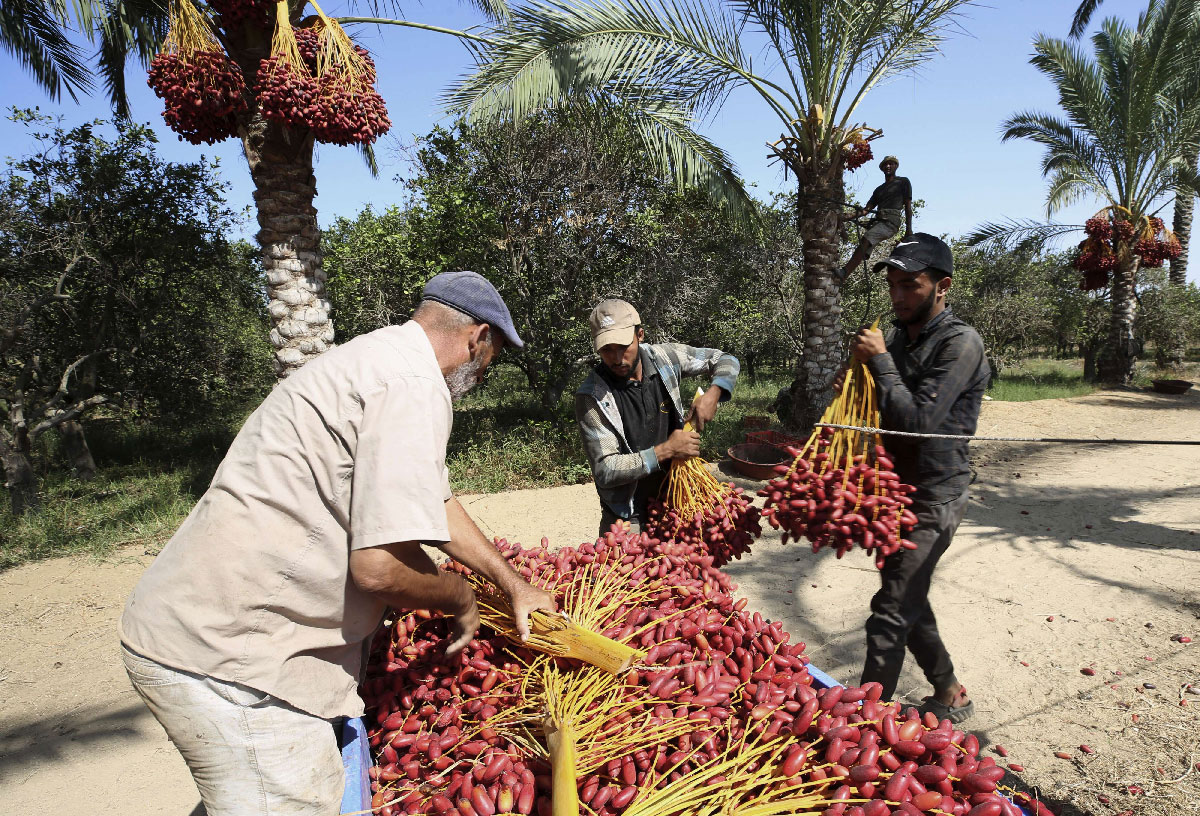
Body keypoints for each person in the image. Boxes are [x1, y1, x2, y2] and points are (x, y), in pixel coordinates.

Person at [119, 270, 556, 815]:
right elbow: (377, 569)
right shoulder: (414, 385)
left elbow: (435, 504)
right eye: (493, 356)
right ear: (478, 338)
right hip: (234, 660)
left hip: (199, 632)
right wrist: (459, 598)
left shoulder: (377, 361)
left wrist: (511, 583)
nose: (487, 370)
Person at [839, 233, 989, 723]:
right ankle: (949, 692)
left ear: (942, 286)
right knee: (908, 596)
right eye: (893, 286)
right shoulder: (902, 337)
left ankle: (866, 720)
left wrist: (881, 361)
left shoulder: (960, 343)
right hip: (895, 491)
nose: (898, 296)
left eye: (911, 285)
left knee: (890, 610)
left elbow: (919, 423)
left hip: (934, 497)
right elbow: (874, 405)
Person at [575, 299, 740, 536]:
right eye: (607, 349)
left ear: (639, 335)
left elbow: (726, 359)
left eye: (623, 346)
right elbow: (606, 469)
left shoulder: (665, 358)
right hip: (627, 516)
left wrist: (715, 392)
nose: (617, 357)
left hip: (677, 500)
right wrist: (666, 450)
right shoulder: (592, 397)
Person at [837, 155, 914, 281]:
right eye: (885, 164)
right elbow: (865, 210)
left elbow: (908, 207)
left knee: (866, 239)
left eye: (891, 164)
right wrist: (845, 217)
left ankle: (845, 272)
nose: (888, 166)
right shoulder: (879, 190)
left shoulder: (903, 182)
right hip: (879, 221)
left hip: (891, 222)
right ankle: (846, 271)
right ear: (882, 168)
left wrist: (908, 230)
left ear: (896, 166)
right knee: (864, 246)